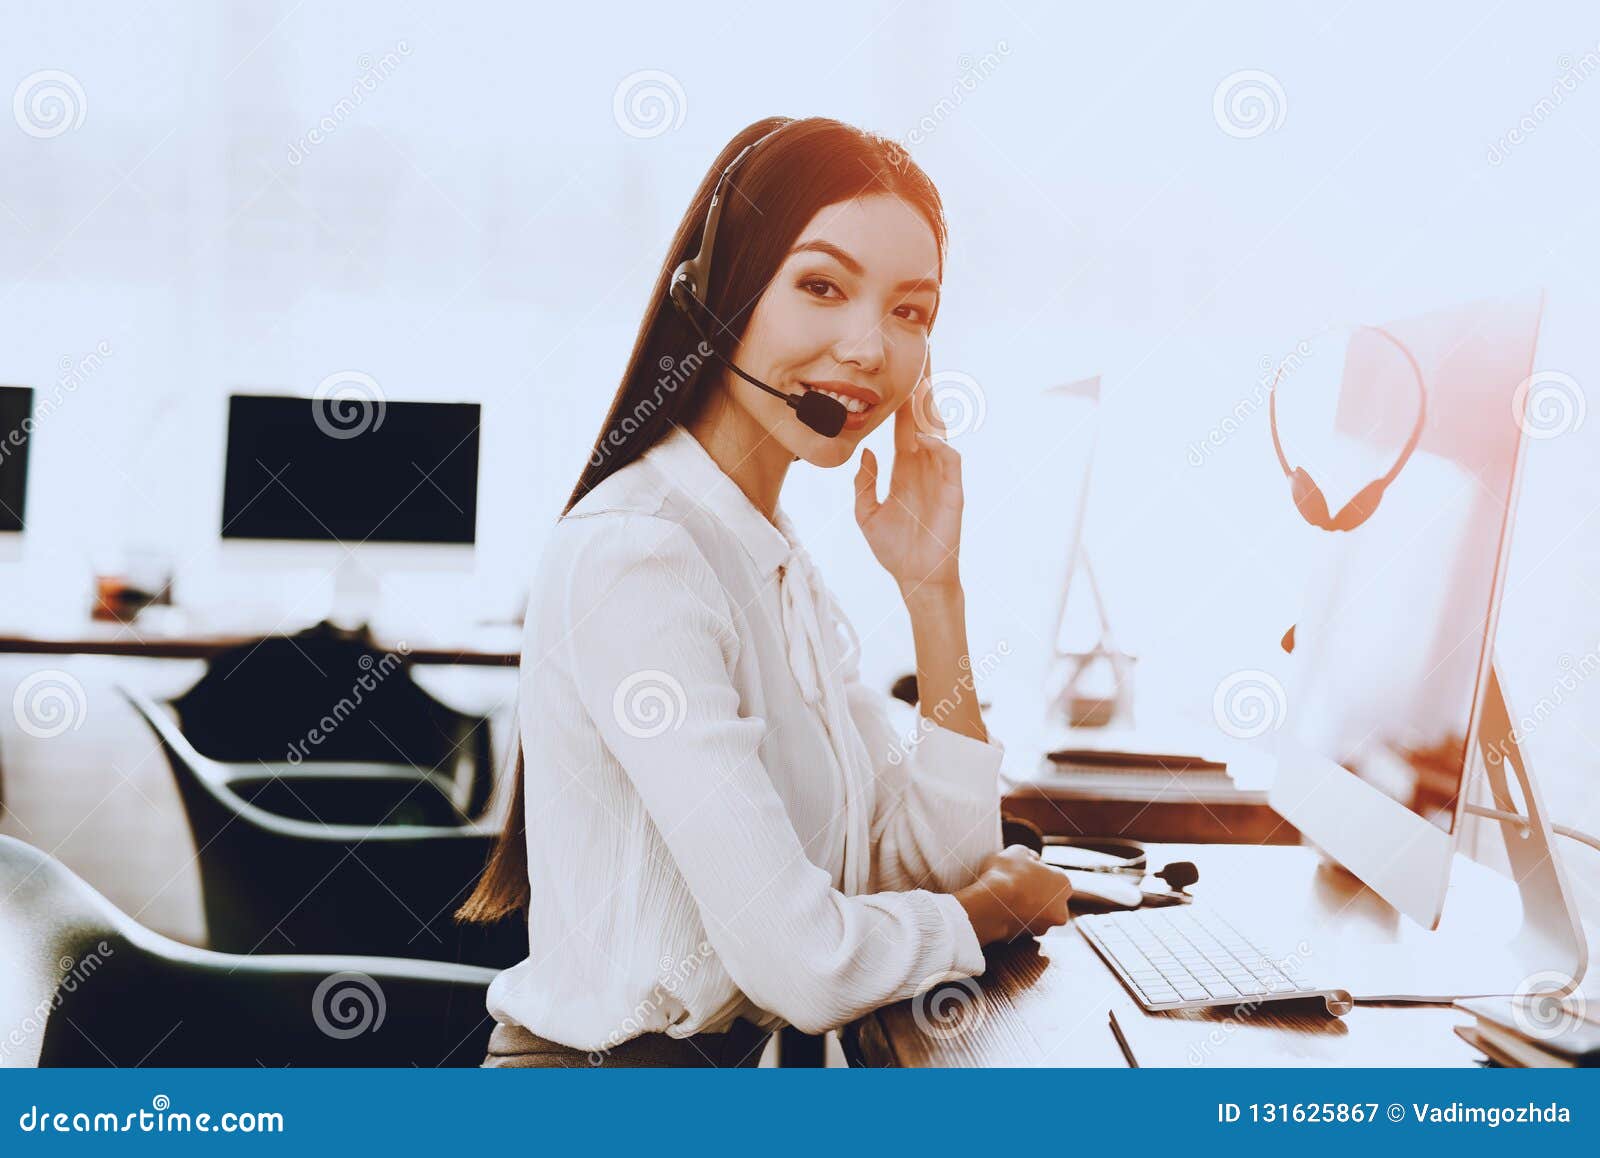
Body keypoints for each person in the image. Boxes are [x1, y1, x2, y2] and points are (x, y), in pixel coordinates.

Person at [457, 116, 1072, 1068]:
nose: (869, 348)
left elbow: (915, 864)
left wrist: (933, 594)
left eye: (912, 311)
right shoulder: (640, 555)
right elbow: (804, 963)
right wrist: (986, 912)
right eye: (822, 286)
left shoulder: (771, 556)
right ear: (717, 294)